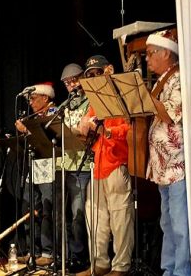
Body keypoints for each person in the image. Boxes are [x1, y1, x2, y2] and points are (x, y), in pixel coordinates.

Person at [80, 55, 134, 276]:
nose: (93, 78)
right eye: (90, 76)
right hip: (98, 164)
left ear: (109, 70)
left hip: (116, 164)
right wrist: (83, 125)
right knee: (95, 218)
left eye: (97, 73)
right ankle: (99, 263)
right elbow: (86, 124)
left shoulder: (122, 95)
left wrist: (107, 131)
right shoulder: (94, 101)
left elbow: (131, 128)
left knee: (120, 218)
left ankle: (121, 266)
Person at [145, 29, 191, 276]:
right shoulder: (163, 80)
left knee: (181, 225)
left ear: (166, 53)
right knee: (167, 223)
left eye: (151, 53)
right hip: (162, 166)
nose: (147, 59)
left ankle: (182, 271)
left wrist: (141, 96)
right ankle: (169, 269)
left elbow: (171, 114)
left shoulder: (179, 79)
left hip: (177, 165)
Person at [15, 82, 58, 266]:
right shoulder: (34, 115)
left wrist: (27, 130)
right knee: (30, 206)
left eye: (33, 98)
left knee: (47, 208)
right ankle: (34, 251)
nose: (30, 103)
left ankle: (48, 253)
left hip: (49, 164)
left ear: (45, 98)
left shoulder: (54, 112)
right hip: (34, 164)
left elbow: (48, 140)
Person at [57, 63, 91, 274]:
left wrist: (72, 131)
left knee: (78, 214)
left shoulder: (90, 103)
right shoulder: (64, 105)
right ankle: (67, 256)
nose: (70, 85)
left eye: (73, 80)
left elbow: (84, 131)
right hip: (65, 165)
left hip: (83, 165)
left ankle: (80, 258)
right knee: (63, 216)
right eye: (67, 83)